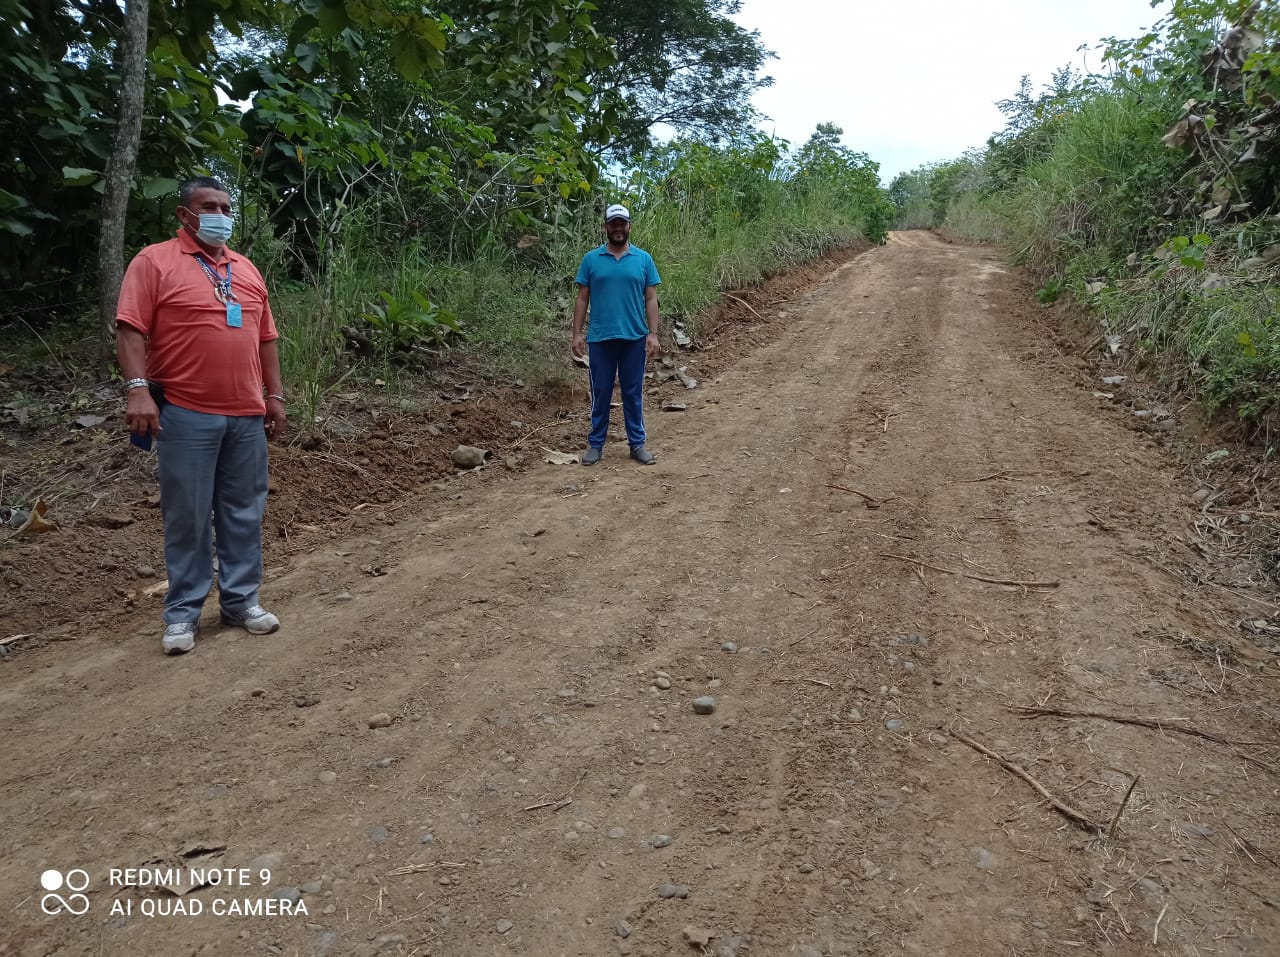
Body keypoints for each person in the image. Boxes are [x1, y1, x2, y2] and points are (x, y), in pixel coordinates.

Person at [115, 176, 286, 655]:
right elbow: (129, 330)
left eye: (226, 207)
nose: (220, 215)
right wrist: (138, 391)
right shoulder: (154, 262)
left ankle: (241, 601)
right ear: (184, 214)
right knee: (187, 515)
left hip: (246, 414)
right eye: (209, 206)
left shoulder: (245, 269)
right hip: (185, 412)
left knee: (244, 511)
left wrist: (275, 396)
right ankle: (183, 614)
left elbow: (266, 339)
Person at [571, 203, 662, 466]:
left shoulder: (643, 259)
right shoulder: (591, 260)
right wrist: (577, 334)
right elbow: (582, 298)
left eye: (622, 223)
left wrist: (653, 333)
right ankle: (595, 445)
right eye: (614, 224)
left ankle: (637, 444)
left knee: (633, 393)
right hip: (600, 338)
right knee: (600, 392)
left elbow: (651, 298)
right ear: (606, 227)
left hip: (634, 338)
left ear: (629, 226)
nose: (618, 228)